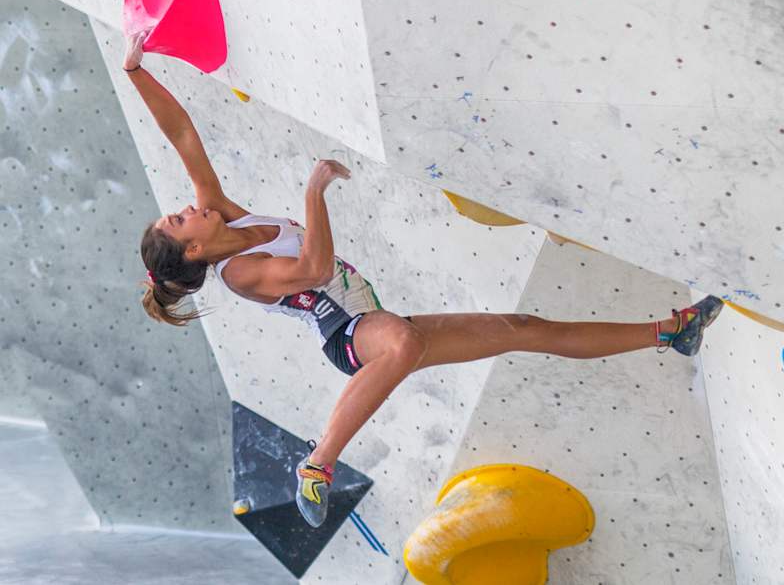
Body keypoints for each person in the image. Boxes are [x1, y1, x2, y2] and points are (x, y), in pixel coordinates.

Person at [124, 31, 725, 527]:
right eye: (179, 219)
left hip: (375, 321)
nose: (186, 206)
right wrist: (314, 191)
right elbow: (314, 271)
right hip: (350, 335)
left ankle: (672, 332)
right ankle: (318, 463)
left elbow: (182, 136)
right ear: (195, 247)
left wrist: (137, 71)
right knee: (404, 344)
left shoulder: (220, 212)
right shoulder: (240, 274)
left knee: (522, 328)